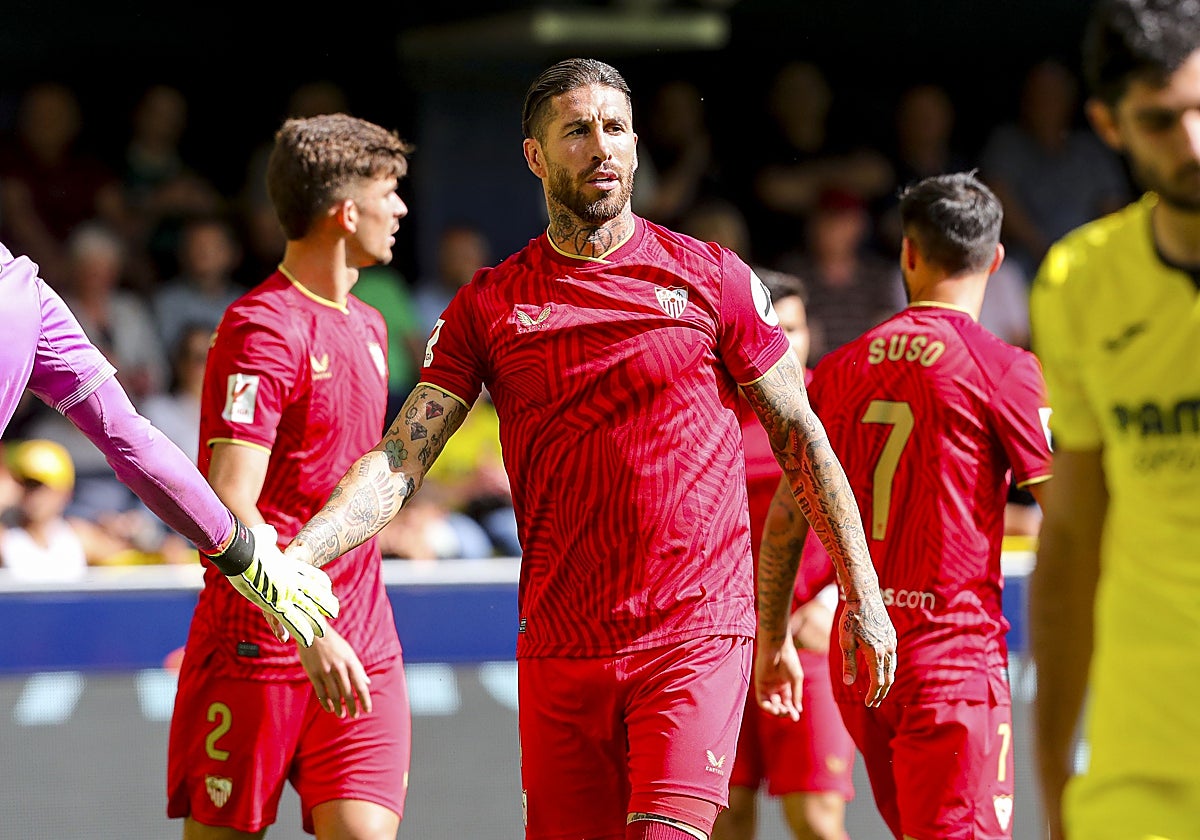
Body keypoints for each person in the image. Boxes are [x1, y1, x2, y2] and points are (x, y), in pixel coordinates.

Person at [281, 58, 896, 840]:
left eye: (615, 128)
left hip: (692, 632)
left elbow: (802, 434)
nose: (601, 146)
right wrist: (304, 553)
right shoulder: (490, 304)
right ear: (535, 156)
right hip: (560, 645)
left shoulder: (712, 277)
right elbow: (403, 456)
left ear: (636, 145)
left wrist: (862, 590)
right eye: (577, 131)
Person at [763, 171, 1052, 839]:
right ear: (995, 260)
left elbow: (786, 519)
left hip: (863, 662)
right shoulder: (1003, 368)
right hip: (952, 663)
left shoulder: (840, 369)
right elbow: (1065, 514)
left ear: (909, 253)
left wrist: (771, 638)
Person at [167, 113, 414, 840]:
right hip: (259, 644)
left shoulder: (371, 325)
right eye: (389, 192)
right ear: (346, 213)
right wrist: (308, 627)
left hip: (364, 638)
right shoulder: (263, 328)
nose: (401, 209)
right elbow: (228, 503)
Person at [1028, 2, 1200, 838]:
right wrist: (1052, 770)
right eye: (1161, 121)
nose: (1192, 143)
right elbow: (1071, 541)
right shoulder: (1079, 282)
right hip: (1141, 768)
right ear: (1108, 124)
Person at [0, 236, 336, 640]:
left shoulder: (25, 295)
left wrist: (243, 553)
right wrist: (242, 554)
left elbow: (128, 439)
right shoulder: (26, 294)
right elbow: (129, 439)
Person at [712, 268, 856, 840]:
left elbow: (878, 512)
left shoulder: (834, 403)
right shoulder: (711, 407)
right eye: (773, 330)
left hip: (807, 637)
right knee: (723, 820)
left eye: (793, 329)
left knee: (816, 820)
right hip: (723, 643)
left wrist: (834, 600)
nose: (784, 344)